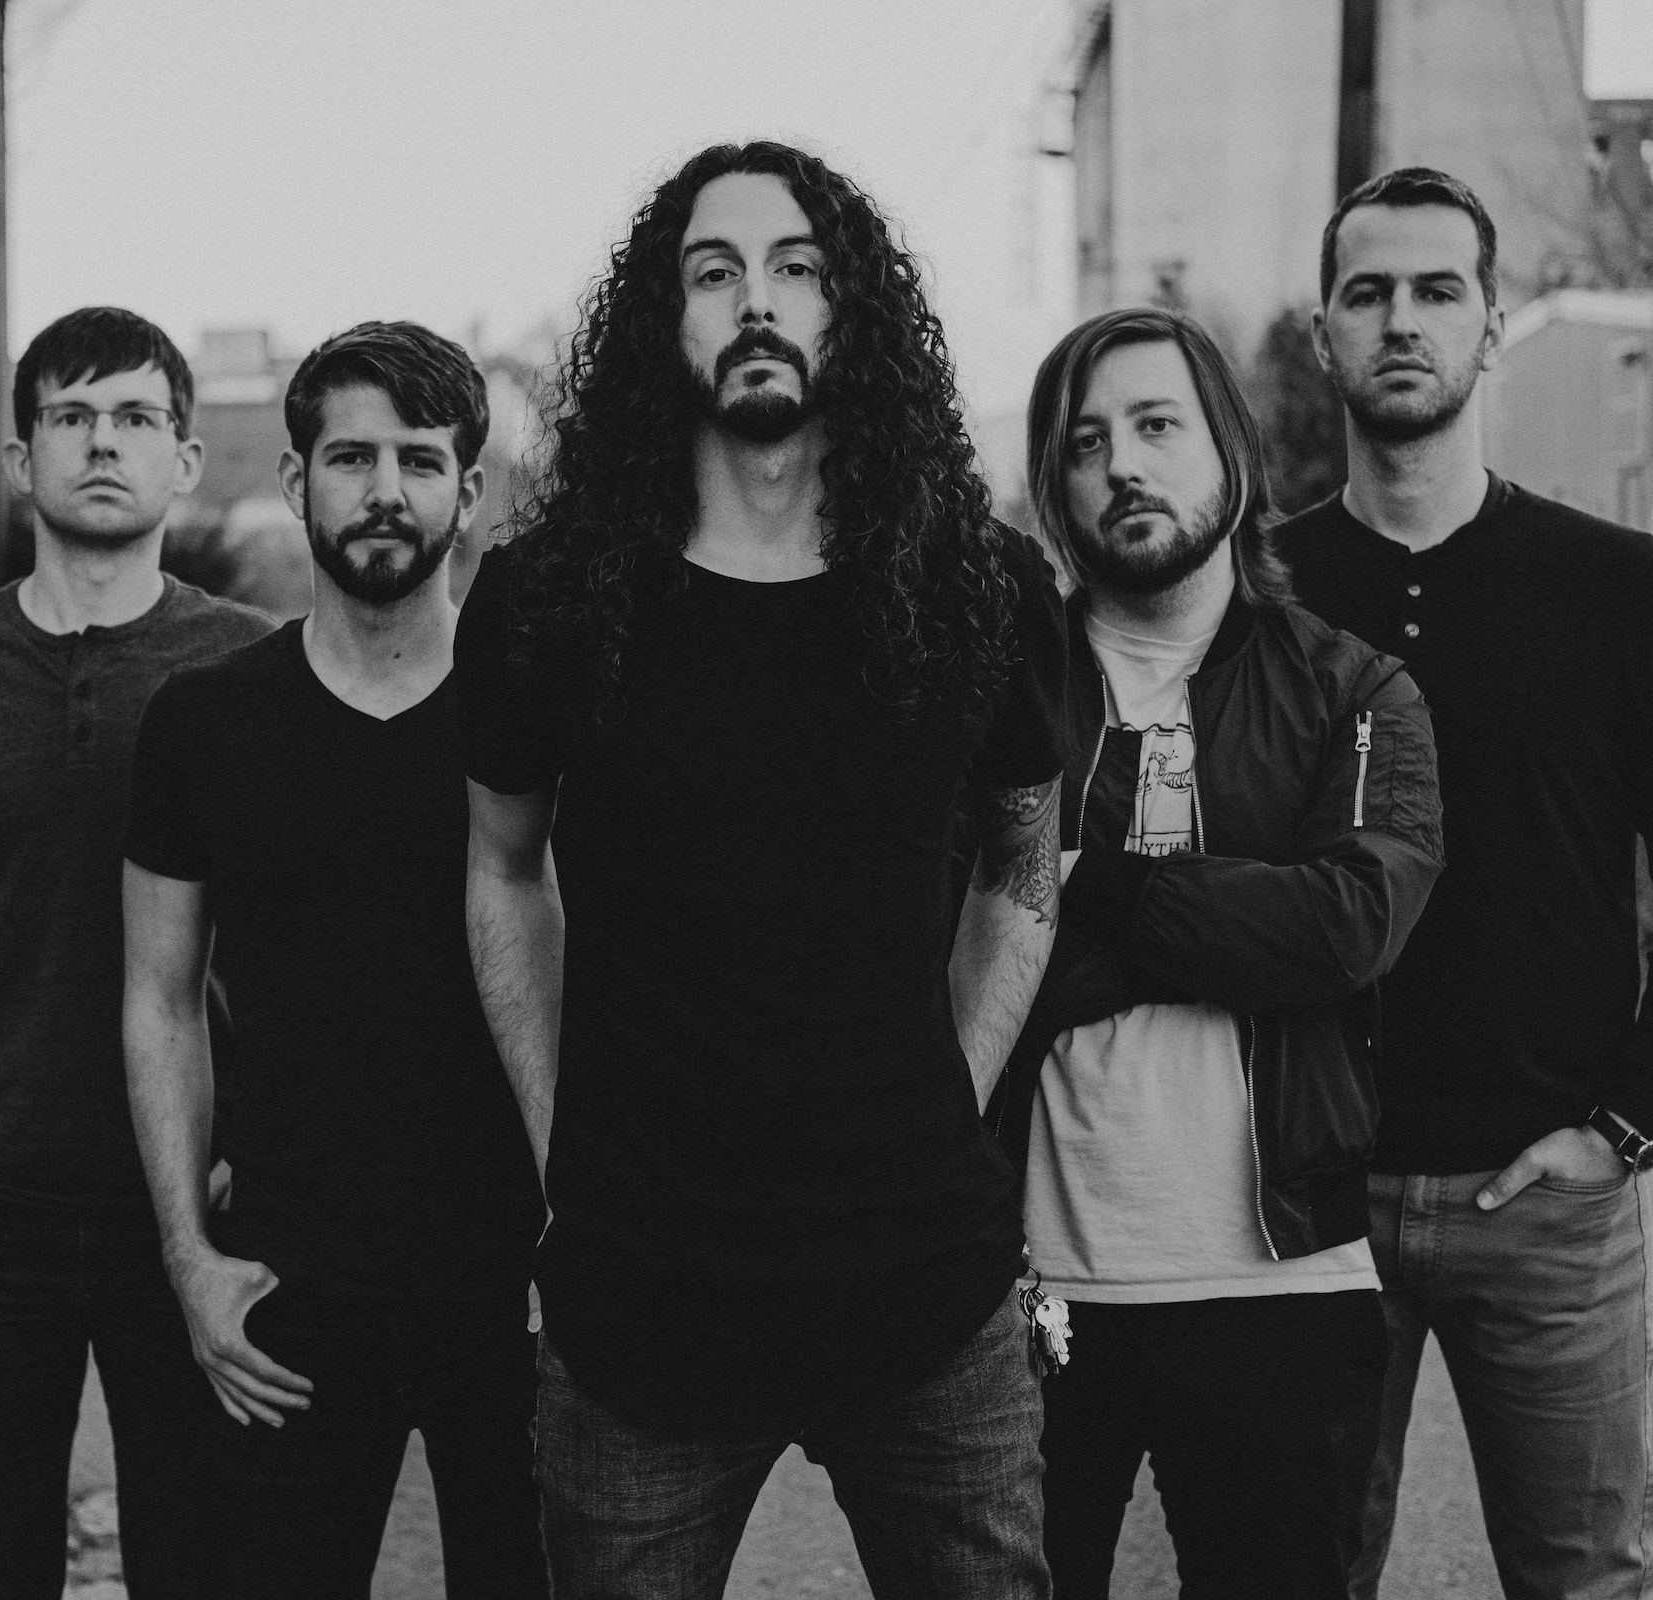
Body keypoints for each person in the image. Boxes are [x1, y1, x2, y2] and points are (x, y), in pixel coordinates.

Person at [455, 140, 1068, 1599]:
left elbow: (1024, 870)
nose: (756, 301)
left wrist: (949, 1088)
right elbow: (504, 872)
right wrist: (559, 1139)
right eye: (714, 271)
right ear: (661, 321)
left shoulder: (977, 587)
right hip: (642, 1304)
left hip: (924, 1291)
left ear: (852, 311)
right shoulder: (551, 599)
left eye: (797, 268)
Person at [1277, 167, 1653, 1600]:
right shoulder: (1260, 592)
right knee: (1288, 1573)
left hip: (1549, 1204)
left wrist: (1621, 1126)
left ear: (1493, 325)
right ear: (1324, 333)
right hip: (1307, 1209)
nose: (1403, 320)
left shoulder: (1621, 588)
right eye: (1369, 292)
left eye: (1439, 290)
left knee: (1587, 1580)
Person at [0, 306, 275, 1598]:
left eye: (135, 417)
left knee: (210, 1570)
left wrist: (267, 1141)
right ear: (23, 458)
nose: (103, 443)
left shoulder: (252, 668)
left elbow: (304, 936)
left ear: (186, 458)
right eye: (71, 417)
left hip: (193, 1203)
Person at [996, 306, 1441, 1598]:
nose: (1122, 464)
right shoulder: (997, 687)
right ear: (1055, 485)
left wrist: (1097, 890)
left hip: (1283, 1285)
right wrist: (1237, 922)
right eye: (1086, 442)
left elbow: (1348, 925)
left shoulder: (1355, 691)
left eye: (1156, 425)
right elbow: (943, 945)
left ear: (1233, 454)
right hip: (1028, 1290)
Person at [119, 320, 546, 1597]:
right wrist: (190, 1258)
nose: (384, 490)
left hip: (516, 1281)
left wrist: (593, 1237)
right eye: (351, 457)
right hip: (290, 1283)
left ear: (471, 490)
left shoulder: (543, 713)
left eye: (420, 459)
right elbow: (157, 996)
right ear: (297, 479)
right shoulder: (206, 723)